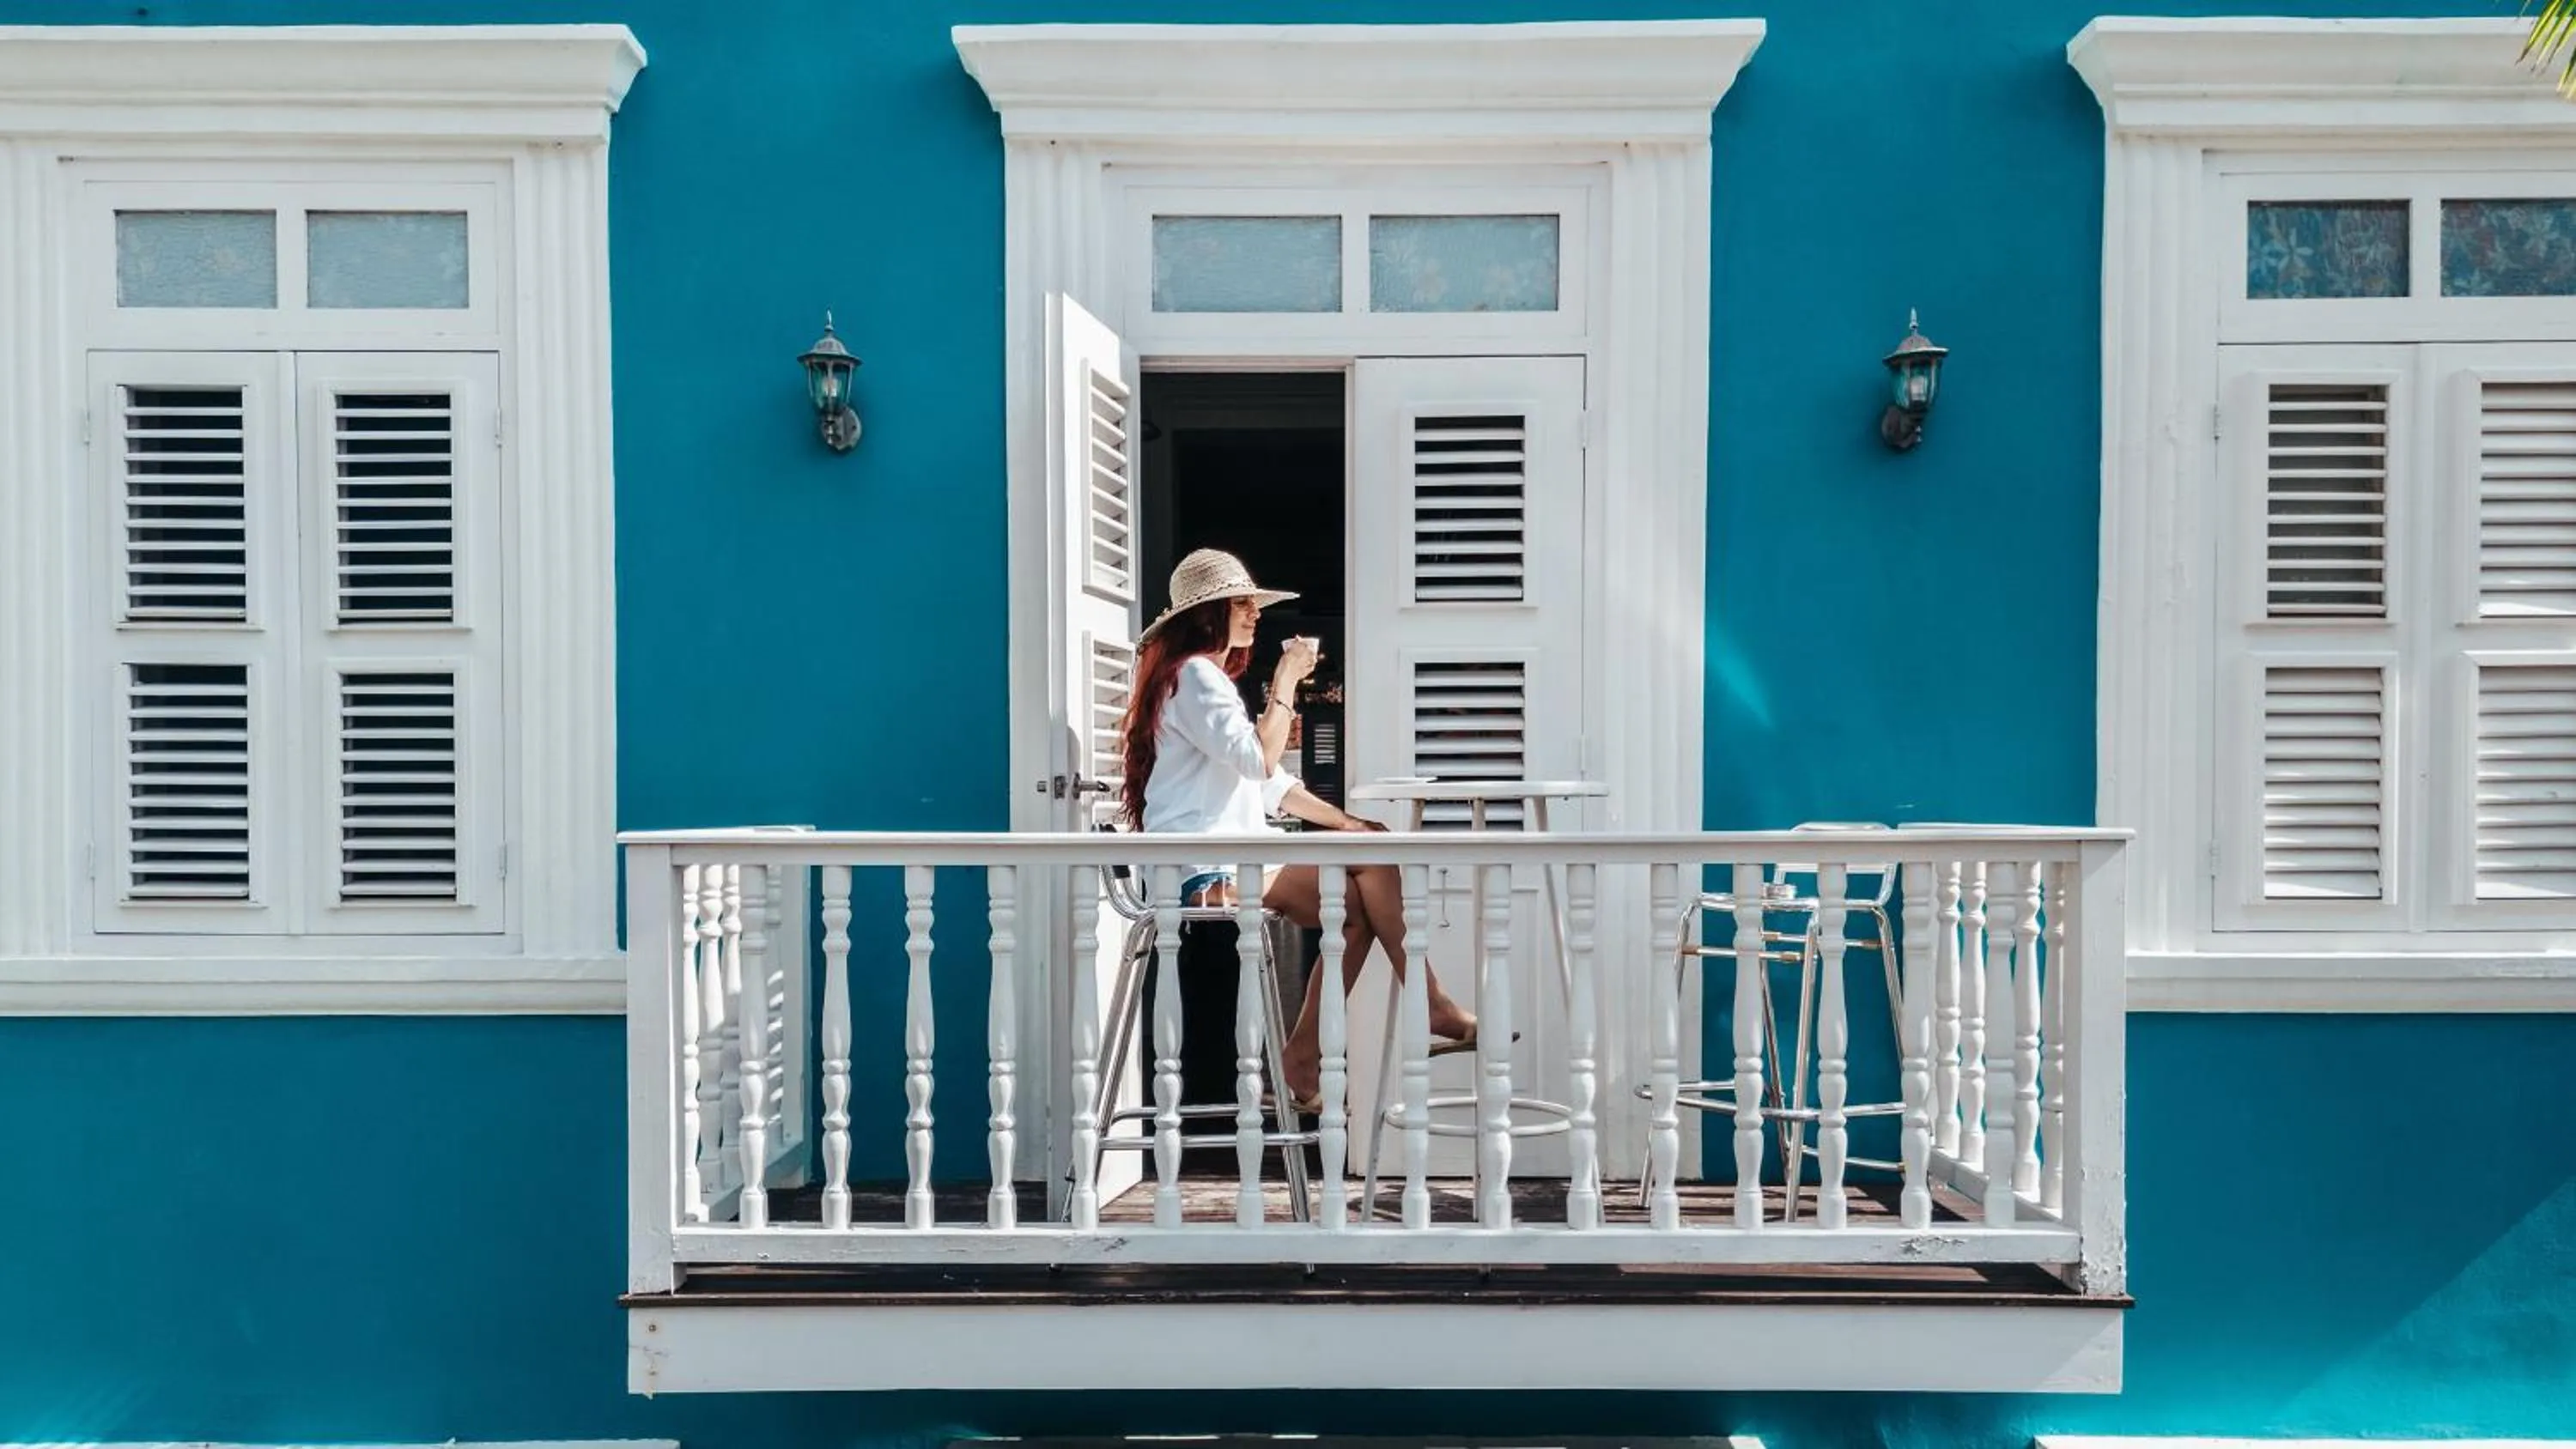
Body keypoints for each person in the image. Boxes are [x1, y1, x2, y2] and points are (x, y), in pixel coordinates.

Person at [1117, 548, 1480, 1110]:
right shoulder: (1194, 676)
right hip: (1208, 874)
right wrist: (1285, 680)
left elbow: (1271, 788)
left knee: (1360, 902)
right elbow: (1259, 762)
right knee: (1372, 865)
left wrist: (1350, 823)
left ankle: (1303, 1056)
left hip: (1237, 863)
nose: (1254, 613)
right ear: (1206, 613)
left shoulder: (1198, 681)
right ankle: (1428, 1002)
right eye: (1241, 603)